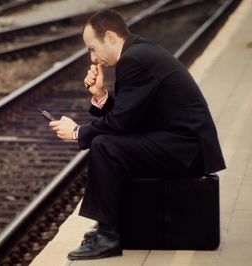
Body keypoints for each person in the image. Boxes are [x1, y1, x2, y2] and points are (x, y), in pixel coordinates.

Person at [49, 9, 225, 261]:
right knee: (107, 143)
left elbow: (121, 122)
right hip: (180, 143)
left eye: (92, 48)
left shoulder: (134, 59)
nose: (92, 56)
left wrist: (78, 132)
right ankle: (108, 228)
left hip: (187, 150)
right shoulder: (138, 52)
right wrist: (100, 95)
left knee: (105, 146)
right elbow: (130, 117)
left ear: (109, 37)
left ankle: (108, 236)